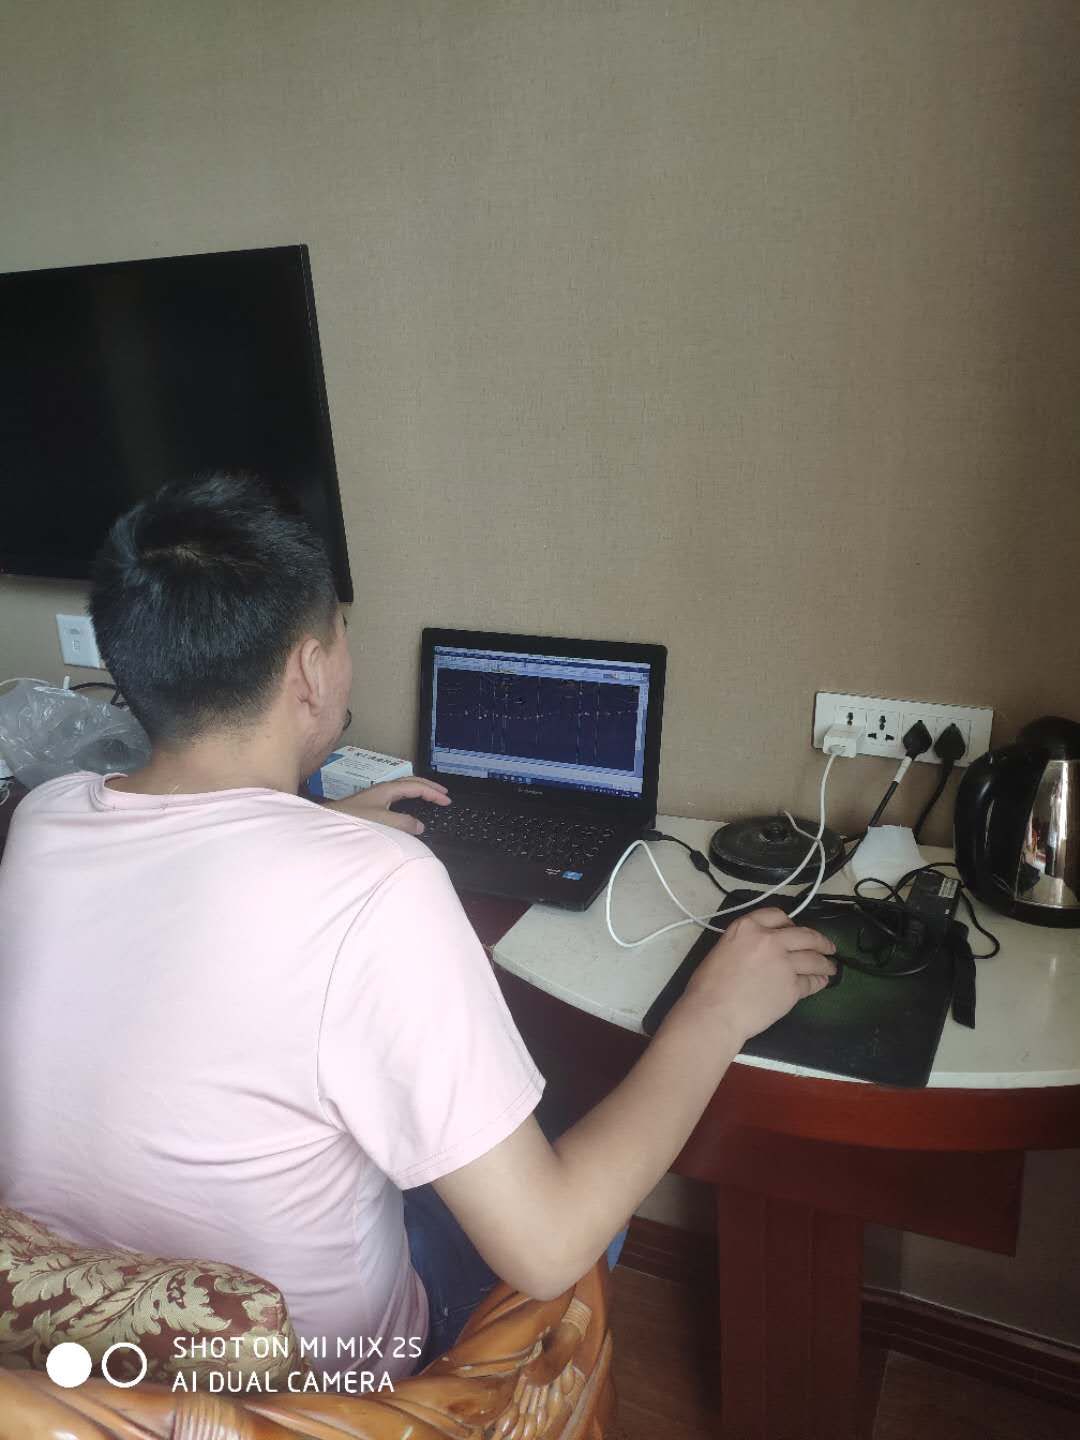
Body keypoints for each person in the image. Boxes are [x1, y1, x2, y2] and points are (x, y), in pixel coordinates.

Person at [0, 474, 835, 1382]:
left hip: (67, 1360)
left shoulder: (45, 820)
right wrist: (714, 1011)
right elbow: (547, 1248)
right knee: (568, 1128)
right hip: (328, 1396)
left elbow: (184, 892)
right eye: (340, 634)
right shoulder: (379, 889)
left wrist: (317, 828)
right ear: (311, 671)